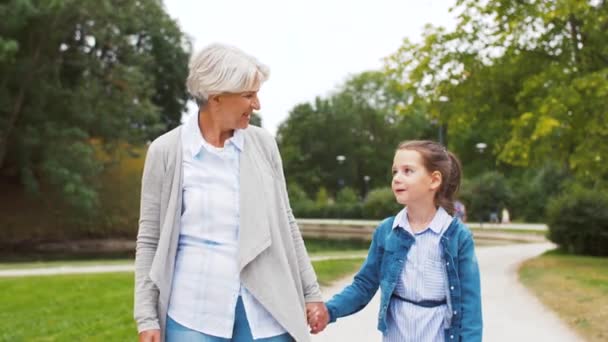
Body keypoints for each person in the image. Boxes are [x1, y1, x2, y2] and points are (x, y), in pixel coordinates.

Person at [134, 43, 324, 342]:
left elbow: (286, 223)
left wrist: (311, 293)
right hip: (193, 314)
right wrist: (146, 318)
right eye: (249, 95)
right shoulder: (167, 151)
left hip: (266, 312)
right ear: (217, 97)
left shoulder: (263, 145)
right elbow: (149, 239)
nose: (257, 104)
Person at [308, 140, 482, 341]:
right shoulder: (387, 231)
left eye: (408, 171)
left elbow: (470, 306)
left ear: (434, 180)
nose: (397, 178)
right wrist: (329, 311)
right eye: (395, 172)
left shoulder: (457, 236)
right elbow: (364, 285)